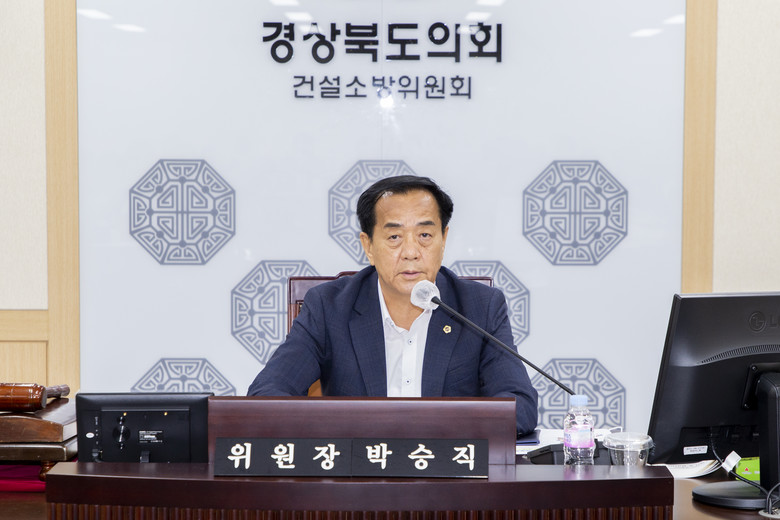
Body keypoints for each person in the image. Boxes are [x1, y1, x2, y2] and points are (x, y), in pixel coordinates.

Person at [247, 175, 538, 434]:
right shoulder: (328, 307)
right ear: (368, 246)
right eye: (395, 237)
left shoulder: (479, 308)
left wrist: (433, 432)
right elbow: (266, 397)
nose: (411, 252)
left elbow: (519, 407)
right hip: (357, 472)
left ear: (443, 240)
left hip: (449, 474)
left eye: (425, 235)